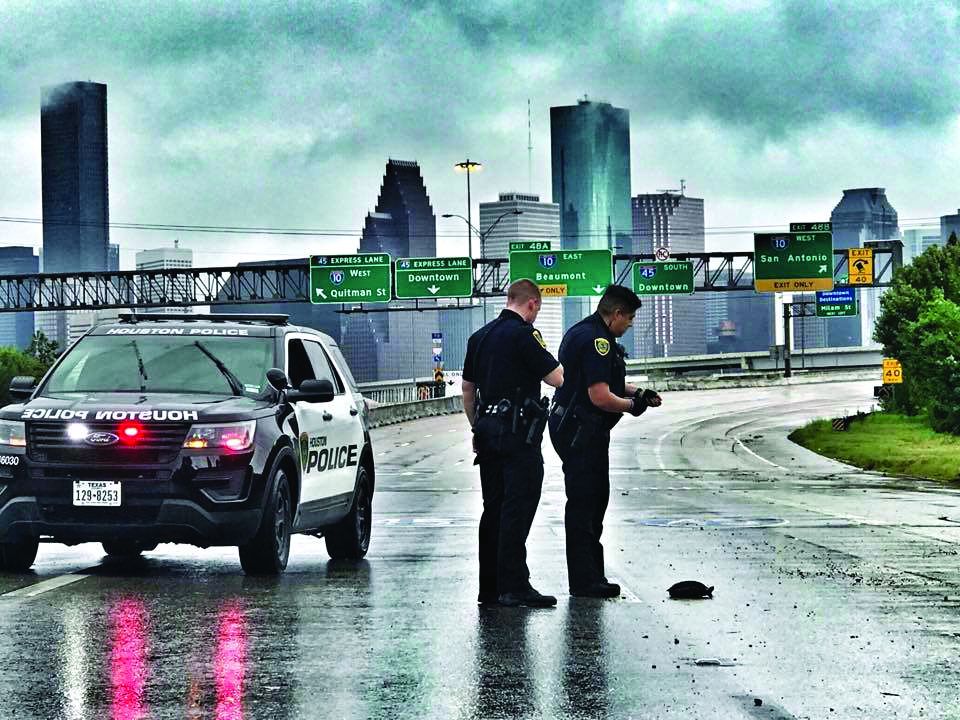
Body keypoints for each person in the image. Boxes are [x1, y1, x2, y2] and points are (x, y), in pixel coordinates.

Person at [548, 284, 662, 598]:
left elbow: (607, 383)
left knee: (590, 501)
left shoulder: (582, 332)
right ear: (615, 315)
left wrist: (637, 392)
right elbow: (599, 396)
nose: (631, 324)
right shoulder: (598, 341)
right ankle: (586, 582)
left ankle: (589, 577)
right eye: (629, 318)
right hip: (581, 432)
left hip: (572, 428)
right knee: (588, 503)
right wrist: (632, 407)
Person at [462, 279, 564, 608]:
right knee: (516, 509)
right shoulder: (524, 335)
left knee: (492, 509)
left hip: (487, 431)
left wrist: (477, 425)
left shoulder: (479, 338)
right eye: (537, 309)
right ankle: (514, 586)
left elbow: (467, 389)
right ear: (531, 304)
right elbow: (556, 378)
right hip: (519, 435)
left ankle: (488, 588)